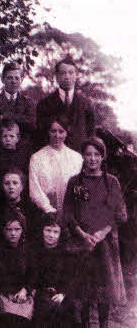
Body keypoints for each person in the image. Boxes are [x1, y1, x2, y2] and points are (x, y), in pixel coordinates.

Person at [63, 137, 127, 328]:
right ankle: (84, 324)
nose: (92, 159)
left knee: (103, 290)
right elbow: (68, 212)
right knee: (83, 290)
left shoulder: (111, 182)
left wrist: (102, 233)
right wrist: (82, 234)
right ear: (83, 156)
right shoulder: (75, 182)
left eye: (96, 155)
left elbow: (120, 213)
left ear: (103, 157)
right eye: (88, 154)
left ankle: (104, 324)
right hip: (81, 243)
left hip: (104, 245)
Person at [35, 56, 95, 151]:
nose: (67, 76)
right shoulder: (44, 104)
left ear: (76, 75)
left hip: (79, 158)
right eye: (63, 73)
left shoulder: (87, 104)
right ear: (57, 77)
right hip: (53, 158)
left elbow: (91, 136)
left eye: (71, 73)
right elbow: (40, 136)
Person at [29, 115, 83, 219]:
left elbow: (80, 186)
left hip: (71, 212)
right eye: (53, 131)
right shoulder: (37, 158)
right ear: (48, 132)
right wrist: (48, 209)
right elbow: (34, 189)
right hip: (45, 213)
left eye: (61, 131)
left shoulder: (77, 158)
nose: (57, 135)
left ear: (66, 133)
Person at [28, 217, 75, 328]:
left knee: (66, 311)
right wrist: (31, 290)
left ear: (60, 234)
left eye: (55, 232)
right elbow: (30, 274)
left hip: (60, 293)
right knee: (44, 310)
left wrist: (63, 294)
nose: (51, 235)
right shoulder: (34, 251)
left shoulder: (66, 254)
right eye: (48, 230)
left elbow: (70, 277)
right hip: (39, 293)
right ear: (42, 231)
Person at [0, 210, 33, 328]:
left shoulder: (28, 250)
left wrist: (25, 290)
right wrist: (8, 293)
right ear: (3, 230)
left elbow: (33, 274)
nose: (13, 233)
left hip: (23, 294)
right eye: (9, 229)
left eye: (17, 229)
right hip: (3, 293)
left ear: (22, 230)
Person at [0, 62, 35, 141]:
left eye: (17, 78)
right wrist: (20, 117)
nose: (13, 81)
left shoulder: (28, 102)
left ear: (21, 80)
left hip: (22, 147)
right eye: (9, 78)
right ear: (3, 79)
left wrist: (3, 116)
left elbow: (30, 124)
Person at [0, 119, 31, 198]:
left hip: (20, 193)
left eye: (11, 136)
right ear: (0, 138)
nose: (8, 139)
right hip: (0, 193)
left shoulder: (23, 155)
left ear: (17, 138)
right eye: (5, 136)